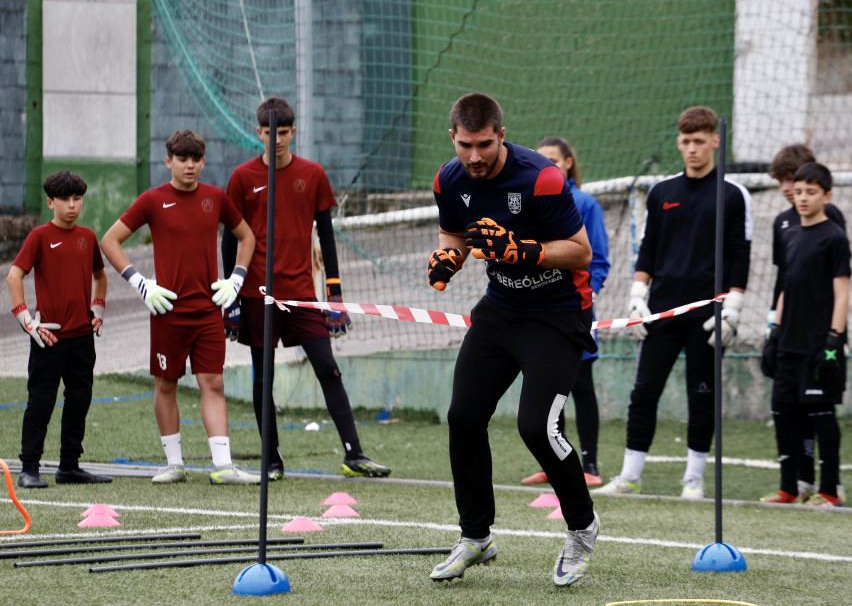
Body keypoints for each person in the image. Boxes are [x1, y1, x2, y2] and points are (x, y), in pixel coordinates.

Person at [426, 93, 599, 587]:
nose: (474, 157)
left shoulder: (541, 176)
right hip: (500, 311)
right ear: (453, 139)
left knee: (536, 428)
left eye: (484, 145)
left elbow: (580, 252)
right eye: (465, 146)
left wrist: (523, 251)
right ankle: (475, 537)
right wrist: (449, 258)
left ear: (501, 134)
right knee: (463, 416)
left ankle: (582, 528)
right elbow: (453, 233)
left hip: (557, 316)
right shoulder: (449, 178)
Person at [220, 96, 390, 480]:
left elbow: (327, 237)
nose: (276, 139)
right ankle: (272, 461)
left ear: (292, 132)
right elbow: (229, 239)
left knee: (328, 368)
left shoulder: (312, 174)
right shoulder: (242, 178)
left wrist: (335, 295)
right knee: (262, 378)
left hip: (301, 295)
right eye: (269, 132)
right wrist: (231, 294)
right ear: (258, 132)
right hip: (256, 296)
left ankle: (354, 454)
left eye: (282, 132)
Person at [594, 106, 752, 499]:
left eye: (700, 141)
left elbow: (740, 256)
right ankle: (629, 477)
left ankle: (693, 481)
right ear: (679, 143)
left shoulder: (734, 194)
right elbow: (647, 250)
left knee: (702, 395)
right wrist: (636, 300)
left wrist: (733, 309)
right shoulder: (662, 192)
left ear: (715, 140)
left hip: (708, 315)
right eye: (685, 141)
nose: (692, 148)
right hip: (661, 310)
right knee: (644, 392)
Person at [100, 130, 260, 485]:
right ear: (168, 160)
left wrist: (236, 279)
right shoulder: (152, 200)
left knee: (213, 383)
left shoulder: (216, 197)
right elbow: (109, 241)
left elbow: (247, 237)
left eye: (196, 159)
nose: (190, 166)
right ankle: (174, 464)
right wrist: (140, 282)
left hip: (207, 311)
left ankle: (222, 467)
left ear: (203, 162)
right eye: (182, 159)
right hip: (166, 312)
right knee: (166, 384)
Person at [7, 170, 111, 488]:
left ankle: (69, 467)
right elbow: (14, 276)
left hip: (82, 337)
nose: (71, 205)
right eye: (65, 199)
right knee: (41, 401)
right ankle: (29, 468)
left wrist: (98, 308)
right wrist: (27, 320)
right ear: (50, 201)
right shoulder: (38, 236)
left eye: (77, 198)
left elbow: (100, 276)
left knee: (79, 399)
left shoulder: (89, 237)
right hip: (48, 336)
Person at [521, 136, 610, 487]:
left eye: (554, 160)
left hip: (574, 311)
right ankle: (554, 462)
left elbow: (597, 258)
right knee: (546, 387)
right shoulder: (530, 199)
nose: (547, 166)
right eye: (541, 160)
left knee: (581, 385)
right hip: (538, 313)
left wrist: (584, 295)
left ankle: (590, 466)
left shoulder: (585, 203)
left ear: (569, 163)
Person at [760, 162, 850, 507]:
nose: (802, 198)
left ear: (826, 196)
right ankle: (789, 488)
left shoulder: (834, 237)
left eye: (811, 192)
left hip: (818, 345)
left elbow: (842, 293)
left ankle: (829, 490)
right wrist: (774, 332)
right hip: (788, 342)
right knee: (783, 411)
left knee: (821, 416)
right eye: (798, 192)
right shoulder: (789, 232)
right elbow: (785, 286)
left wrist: (833, 340)